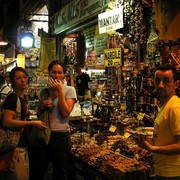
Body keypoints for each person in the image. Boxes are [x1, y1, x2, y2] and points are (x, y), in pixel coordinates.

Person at [29, 60, 77, 180]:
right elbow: (39, 113)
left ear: (64, 75)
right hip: (44, 136)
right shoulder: (44, 92)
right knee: (38, 171)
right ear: (49, 74)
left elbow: (65, 113)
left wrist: (60, 92)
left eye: (59, 73)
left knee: (59, 173)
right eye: (53, 72)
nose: (56, 75)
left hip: (60, 137)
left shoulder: (69, 90)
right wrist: (42, 106)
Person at [0, 67, 47, 180]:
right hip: (15, 146)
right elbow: (7, 122)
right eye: (18, 78)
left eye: (25, 77)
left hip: (21, 144)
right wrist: (33, 124)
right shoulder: (12, 98)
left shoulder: (22, 97)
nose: (23, 80)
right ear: (11, 81)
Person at [135, 63, 180, 179]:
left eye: (166, 81)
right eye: (158, 80)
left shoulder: (175, 108)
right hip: (163, 171)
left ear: (176, 84)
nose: (160, 85)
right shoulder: (166, 106)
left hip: (173, 173)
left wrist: (151, 148)